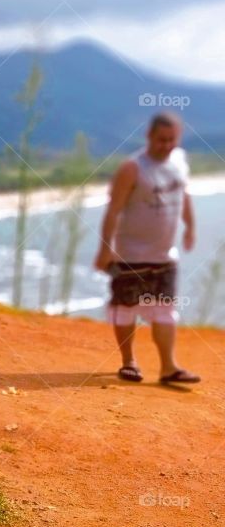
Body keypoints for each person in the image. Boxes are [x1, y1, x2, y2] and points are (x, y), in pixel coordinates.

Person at [94, 112, 200, 384]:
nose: (166, 145)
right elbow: (113, 210)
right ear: (149, 136)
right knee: (125, 307)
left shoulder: (179, 161)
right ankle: (128, 361)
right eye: (161, 140)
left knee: (165, 310)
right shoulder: (132, 168)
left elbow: (183, 194)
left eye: (171, 140)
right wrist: (105, 249)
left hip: (165, 256)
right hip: (130, 255)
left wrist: (190, 227)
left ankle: (168, 368)